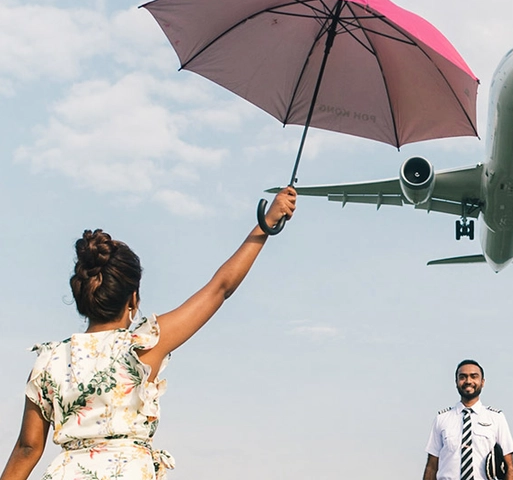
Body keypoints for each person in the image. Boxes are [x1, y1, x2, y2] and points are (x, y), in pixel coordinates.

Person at [0, 187, 297, 480]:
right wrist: (266, 223)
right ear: (132, 299)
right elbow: (220, 287)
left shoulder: (49, 360)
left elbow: (28, 448)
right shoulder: (142, 346)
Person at [423, 359, 513, 480]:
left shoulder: (496, 418)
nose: (468, 381)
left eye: (474, 376)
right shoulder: (442, 419)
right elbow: (431, 466)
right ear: (456, 382)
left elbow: (509, 467)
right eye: (463, 377)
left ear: (482, 382)